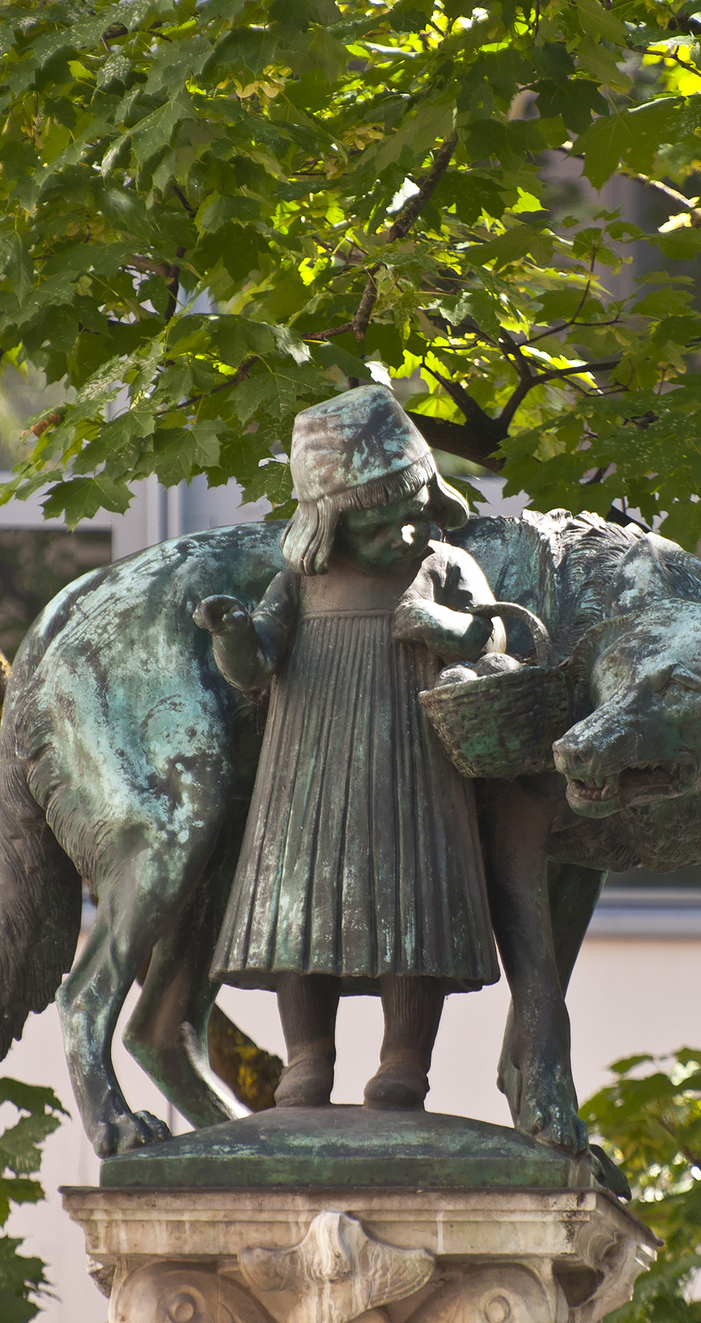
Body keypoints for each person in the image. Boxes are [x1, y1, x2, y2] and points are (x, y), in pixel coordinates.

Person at [192, 385, 508, 1112]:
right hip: (308, 766)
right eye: (378, 526)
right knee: (299, 907)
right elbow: (255, 667)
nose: (402, 536)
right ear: (327, 525)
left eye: (411, 514)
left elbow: (495, 637)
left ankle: (404, 1061)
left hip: (414, 766)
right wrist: (234, 634)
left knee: (413, 905)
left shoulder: (443, 564)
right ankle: (307, 1057)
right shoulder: (301, 583)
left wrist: (443, 626)